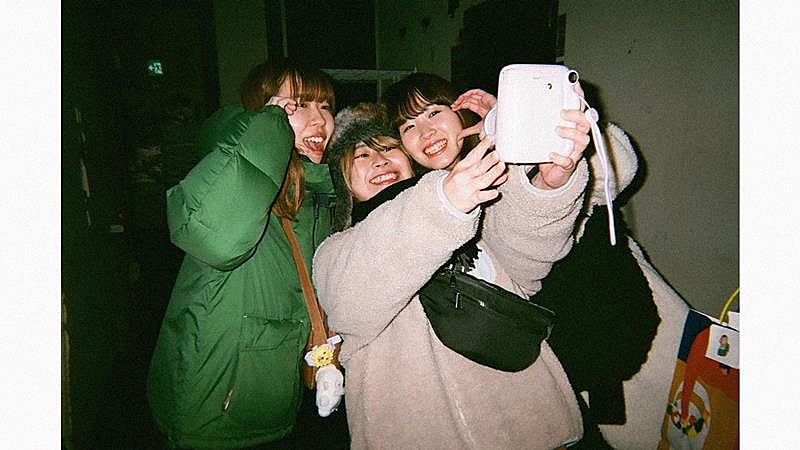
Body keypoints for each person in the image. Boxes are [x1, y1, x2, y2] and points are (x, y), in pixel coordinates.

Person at [387, 75, 693, 450]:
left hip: (622, 310)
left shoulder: (512, 146)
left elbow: (620, 169)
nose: (426, 132)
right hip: (555, 348)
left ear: (460, 110)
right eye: (408, 126)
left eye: (434, 112)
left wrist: (525, 122)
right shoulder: (430, 199)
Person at [314, 93, 592, 449]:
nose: (380, 160)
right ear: (343, 182)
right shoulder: (335, 253)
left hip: (534, 428)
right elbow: (350, 305)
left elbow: (528, 267)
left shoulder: (471, 213)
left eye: (388, 148)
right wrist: (443, 203)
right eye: (362, 156)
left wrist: (549, 187)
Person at [147, 58, 348, 449]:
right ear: (263, 113)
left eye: (325, 106)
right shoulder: (237, 178)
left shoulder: (317, 195)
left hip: (274, 403)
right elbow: (216, 241)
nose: (319, 120)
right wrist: (270, 125)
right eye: (297, 106)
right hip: (213, 404)